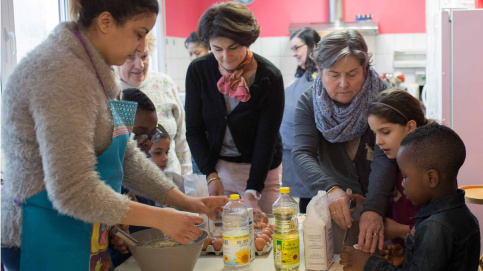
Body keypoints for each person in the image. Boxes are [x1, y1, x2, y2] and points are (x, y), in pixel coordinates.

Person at [0, 1, 227, 270]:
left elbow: (126, 156)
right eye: (139, 33)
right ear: (106, 22)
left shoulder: (99, 70)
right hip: (42, 236)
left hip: (83, 231)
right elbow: (72, 191)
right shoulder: (59, 74)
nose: (142, 47)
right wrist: (161, 218)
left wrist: (184, 201)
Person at [291, 30, 389, 253]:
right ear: (319, 70)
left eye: (353, 74)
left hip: (384, 207)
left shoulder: (385, 100)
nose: (343, 84)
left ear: (365, 69)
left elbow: (385, 160)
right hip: (337, 210)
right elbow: (302, 154)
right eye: (334, 75)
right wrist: (331, 189)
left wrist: (374, 207)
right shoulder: (309, 103)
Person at [185, 2, 285, 216]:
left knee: (262, 232)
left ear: (247, 41)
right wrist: (211, 175)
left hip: (263, 171)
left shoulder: (270, 77)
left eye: (233, 47)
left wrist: (252, 191)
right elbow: (194, 130)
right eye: (217, 49)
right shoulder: (198, 71)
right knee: (225, 235)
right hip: (218, 169)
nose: (226, 57)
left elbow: (266, 139)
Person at [340, 124, 480, 271]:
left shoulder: (436, 226)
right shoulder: (463, 215)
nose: (402, 183)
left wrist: (369, 265)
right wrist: (407, 259)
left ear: (431, 178)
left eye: (406, 176)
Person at [358, 89, 427, 252]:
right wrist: (366, 205)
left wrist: (399, 230)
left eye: (386, 132)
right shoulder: (396, 163)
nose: (378, 142)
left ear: (410, 127)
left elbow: (440, 231)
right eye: (375, 134)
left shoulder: (426, 169)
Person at [118, 32, 192, 176]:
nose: (139, 65)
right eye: (130, 57)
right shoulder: (111, 91)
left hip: (172, 180)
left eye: (144, 56)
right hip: (132, 188)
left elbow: (181, 139)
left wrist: (187, 178)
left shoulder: (165, 83)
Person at [280, 27, 320, 213]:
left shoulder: (322, 77)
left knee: (318, 203)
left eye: (298, 48)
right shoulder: (300, 77)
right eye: (292, 49)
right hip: (292, 152)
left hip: (316, 155)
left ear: (313, 46)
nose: (294, 53)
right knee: (305, 207)